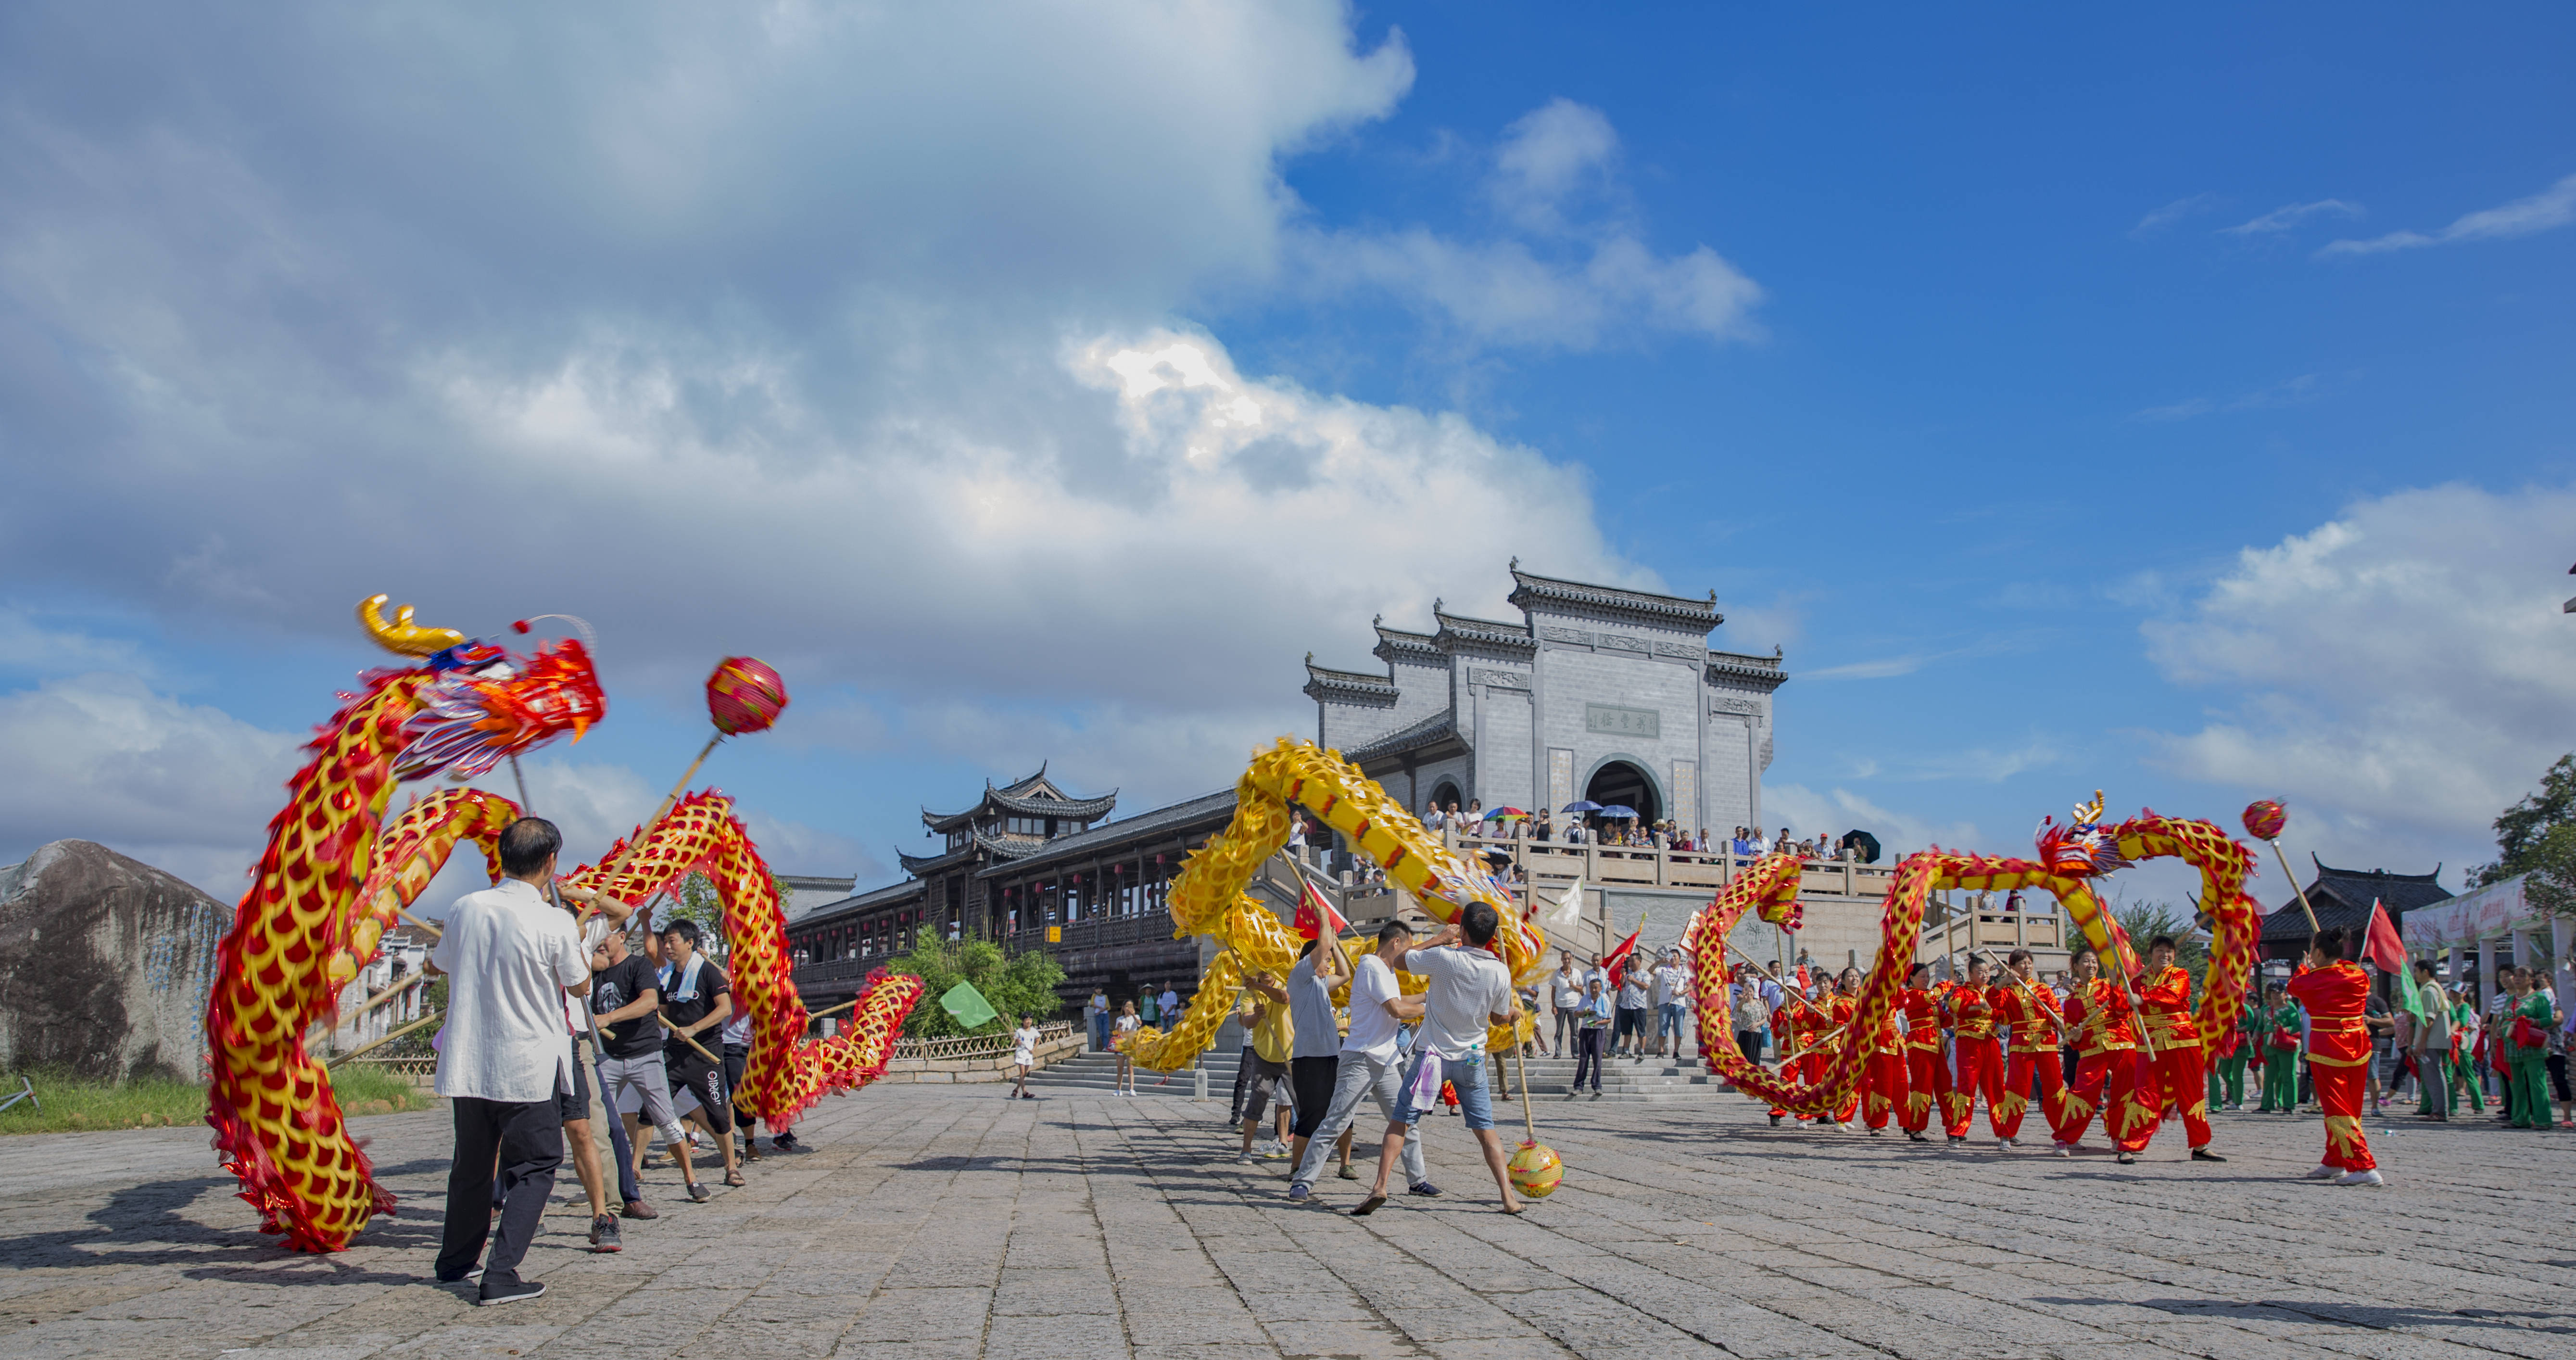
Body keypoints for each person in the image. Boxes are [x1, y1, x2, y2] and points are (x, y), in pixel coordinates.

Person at [427, 816, 592, 1306]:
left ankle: (455, 1260)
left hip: (471, 1059)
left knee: (473, 1164)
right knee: (537, 1163)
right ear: (551, 862)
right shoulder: (555, 921)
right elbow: (579, 984)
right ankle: (500, 1273)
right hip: (527, 1063)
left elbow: (441, 962)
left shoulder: (465, 907)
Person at [1354, 902, 1525, 1216]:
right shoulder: (1500, 970)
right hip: (1472, 1059)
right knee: (1486, 1129)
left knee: (1400, 1121)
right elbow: (1499, 1017)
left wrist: (1438, 939)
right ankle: (1507, 1196)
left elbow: (1400, 960)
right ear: (1491, 936)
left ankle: (1380, 1185)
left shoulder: (1445, 958)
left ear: (1463, 930)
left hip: (1432, 1057)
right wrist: (1512, 1014)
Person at [1287, 921, 1429, 1203]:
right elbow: (1397, 1008)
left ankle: (1418, 1180)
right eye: (1408, 947)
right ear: (1396, 944)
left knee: (1405, 1122)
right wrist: (1324, 921)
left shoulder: (1386, 971)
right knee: (1334, 1122)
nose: (1328, 964)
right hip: (1360, 1058)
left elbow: (1398, 998)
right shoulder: (1370, 967)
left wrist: (1430, 995)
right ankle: (1302, 1181)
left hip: (1386, 1060)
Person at [589, 926, 708, 1211]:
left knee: (666, 1120)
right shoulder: (595, 973)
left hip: (645, 1054)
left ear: (621, 935)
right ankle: (601, 1186)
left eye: (605, 936)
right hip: (608, 1057)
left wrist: (608, 1018)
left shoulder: (639, 966)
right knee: (596, 1125)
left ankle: (691, 1179)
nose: (600, 944)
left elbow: (650, 1002)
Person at [2285, 927, 2381, 1184]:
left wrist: (2305, 967)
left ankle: (2363, 1166)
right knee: (2351, 1108)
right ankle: (2335, 1160)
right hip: (2358, 1045)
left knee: (2337, 1109)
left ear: (2316, 952)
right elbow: (2346, 968)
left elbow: (2294, 987)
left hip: (2328, 1048)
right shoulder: (2358, 975)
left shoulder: (2311, 979)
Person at [653, 919, 743, 1189]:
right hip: (674, 1053)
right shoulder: (668, 976)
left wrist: (694, 1029)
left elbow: (725, 1008)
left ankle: (731, 1168)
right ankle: (634, 1169)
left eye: (672, 941)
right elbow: (665, 1013)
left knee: (717, 1114)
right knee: (653, 1108)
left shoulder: (707, 972)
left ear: (690, 942)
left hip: (706, 1055)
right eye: (665, 942)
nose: (667, 947)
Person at [2128, 936, 2224, 1163]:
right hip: (2150, 1041)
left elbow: (2173, 996)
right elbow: (2125, 1004)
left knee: (2191, 1093)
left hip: (2182, 1039)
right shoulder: (2137, 980)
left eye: (2169, 951)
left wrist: (2142, 998)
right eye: (2160, 950)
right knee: (2145, 1091)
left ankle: (2200, 1146)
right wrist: (2123, 992)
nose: (2165, 955)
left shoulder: (2180, 975)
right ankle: (2130, 1144)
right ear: (2150, 954)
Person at [2058, 948, 2147, 1161]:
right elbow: (2071, 1029)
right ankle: (2065, 1138)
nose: (2091, 965)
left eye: (2094, 962)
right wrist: (2075, 1034)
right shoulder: (2072, 999)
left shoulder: (2109, 986)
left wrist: (2116, 984)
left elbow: (2122, 1010)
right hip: (2092, 1049)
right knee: (2082, 1093)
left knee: (2125, 1092)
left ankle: (2121, 1137)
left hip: (2121, 1043)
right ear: (2076, 966)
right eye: (2086, 962)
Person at [1284, 937, 1349, 1175]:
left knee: (1343, 1111)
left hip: (1332, 1055)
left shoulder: (1323, 983)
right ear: (1312, 959)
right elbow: (1320, 949)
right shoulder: (1300, 977)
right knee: (1311, 1115)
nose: (1330, 965)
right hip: (1309, 1058)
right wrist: (1324, 923)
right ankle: (1296, 1167)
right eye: (1327, 961)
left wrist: (1337, 945)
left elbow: (1345, 975)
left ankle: (1345, 1164)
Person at [1991, 949, 2066, 1150]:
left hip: (2047, 1042)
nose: (2027, 966)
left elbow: (2055, 1012)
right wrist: (2003, 981)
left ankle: (2063, 1136)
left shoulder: (2043, 989)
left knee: (2055, 1087)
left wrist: (2060, 1022)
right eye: (2022, 963)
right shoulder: (2007, 991)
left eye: (2029, 962)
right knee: (2017, 1089)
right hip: (2021, 1044)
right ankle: (2006, 1134)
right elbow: (1992, 1000)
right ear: (2013, 968)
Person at [1940, 957, 2005, 1145]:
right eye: (1980, 972)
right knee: (1967, 1086)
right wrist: (1978, 1006)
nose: (1984, 975)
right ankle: (1957, 1130)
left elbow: (2003, 1014)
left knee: (1996, 1086)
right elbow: (1955, 1006)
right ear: (1971, 974)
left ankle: (2004, 1129)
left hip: (1990, 1040)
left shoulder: (1993, 992)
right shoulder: (1962, 990)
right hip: (1969, 1043)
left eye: (1986, 972)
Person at [1235, 969, 1295, 1164]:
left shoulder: (1286, 981)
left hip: (1291, 1054)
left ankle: (1316, 1149)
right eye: (1261, 968)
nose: (1266, 972)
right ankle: (1246, 1150)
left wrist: (1258, 986)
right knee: (1257, 1099)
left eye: (1270, 967)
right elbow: (1248, 1022)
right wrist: (1258, 1016)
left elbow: (1285, 998)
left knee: (1303, 1103)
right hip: (1264, 1055)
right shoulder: (1247, 993)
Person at [1896, 964, 1947, 1142]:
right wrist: (1946, 985)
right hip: (1920, 1045)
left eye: (1928, 977)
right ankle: (1915, 1127)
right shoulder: (1911, 995)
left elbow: (1943, 1019)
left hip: (1937, 1044)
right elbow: (1931, 996)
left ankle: (1953, 1126)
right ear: (1911, 978)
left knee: (1945, 1085)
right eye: (1922, 977)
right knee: (1922, 1088)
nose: (1926, 980)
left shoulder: (1931, 998)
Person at [2507, 966, 2554, 1129]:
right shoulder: (2510, 999)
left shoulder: (2539, 999)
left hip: (2532, 1046)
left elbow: (2548, 1020)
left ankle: (2543, 1120)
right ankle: (2520, 1118)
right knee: (2517, 1084)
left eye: (2523, 976)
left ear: (2532, 980)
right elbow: (2504, 1019)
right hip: (2512, 1046)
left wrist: (2533, 1022)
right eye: (2516, 976)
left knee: (2537, 1083)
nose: (2518, 979)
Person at [2410, 962, 2453, 1121]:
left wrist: (2422, 1042)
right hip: (2432, 1040)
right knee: (2433, 1075)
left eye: (2417, 971)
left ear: (2426, 972)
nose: (2415, 974)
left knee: (2434, 1076)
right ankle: (2438, 1109)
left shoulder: (2429, 990)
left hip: (2431, 1040)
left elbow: (2430, 1018)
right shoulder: (2433, 988)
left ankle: (2440, 1111)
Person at [2252, 982, 2301, 1113]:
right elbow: (2261, 1025)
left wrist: (2286, 1029)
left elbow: (2297, 1026)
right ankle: (2266, 1105)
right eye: (2273, 993)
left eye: (2279, 993)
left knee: (2288, 1075)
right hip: (2269, 1045)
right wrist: (2257, 1034)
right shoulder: (2265, 1009)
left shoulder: (2290, 1009)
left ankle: (2289, 1105)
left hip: (2285, 1045)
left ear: (2285, 995)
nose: (2275, 996)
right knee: (2269, 1077)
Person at [1568, 977, 1610, 1099]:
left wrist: (1599, 1023)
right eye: (1592, 988)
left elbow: (1608, 1019)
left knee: (1597, 1059)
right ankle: (1579, 1086)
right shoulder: (1585, 999)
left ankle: (1597, 1085)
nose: (1593, 990)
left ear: (1601, 989)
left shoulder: (1605, 1000)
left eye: (1596, 988)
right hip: (1586, 1030)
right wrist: (1584, 1014)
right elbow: (1576, 1013)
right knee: (1583, 1059)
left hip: (1598, 1032)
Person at [1652, 948, 1691, 1061]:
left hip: (1679, 1003)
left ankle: (1676, 1051)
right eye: (1671, 956)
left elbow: (1690, 987)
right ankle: (1661, 1051)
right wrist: (1659, 962)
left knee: (1679, 1028)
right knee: (1663, 1026)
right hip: (1665, 1003)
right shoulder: (1663, 969)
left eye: (1675, 957)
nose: (1673, 959)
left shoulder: (1684, 971)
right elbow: (1650, 971)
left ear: (1679, 959)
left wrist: (1680, 993)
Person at [1613, 958, 1652, 1061]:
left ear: (1639, 961)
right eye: (1629, 962)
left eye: (1632, 961)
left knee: (1641, 1031)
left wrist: (1633, 980)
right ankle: (1626, 1051)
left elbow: (1646, 986)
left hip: (1639, 1006)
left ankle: (1642, 1051)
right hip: (1626, 1005)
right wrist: (1622, 976)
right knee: (1626, 1031)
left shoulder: (1645, 974)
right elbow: (1621, 986)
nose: (1630, 963)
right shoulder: (1627, 973)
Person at [1549, 951, 1585, 1059]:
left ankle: (1575, 1052)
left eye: (1568, 959)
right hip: (1560, 1005)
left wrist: (1574, 986)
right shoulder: (1556, 973)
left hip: (1573, 1005)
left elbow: (1581, 989)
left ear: (1571, 960)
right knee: (1559, 1030)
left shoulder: (1577, 973)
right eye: (1564, 959)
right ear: (1562, 959)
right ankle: (1558, 1052)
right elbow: (1553, 991)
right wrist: (1554, 1005)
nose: (1566, 961)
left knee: (1574, 1030)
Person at [1008, 1014, 1040, 1100]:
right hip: (1021, 1053)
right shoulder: (1019, 1031)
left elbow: (1038, 1040)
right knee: (1022, 1073)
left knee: (1024, 1074)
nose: (1029, 1022)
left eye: (1030, 1020)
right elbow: (1016, 1042)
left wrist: (1034, 1049)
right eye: (1027, 1020)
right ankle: (1025, 1092)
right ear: (1023, 1021)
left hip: (1029, 1054)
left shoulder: (1034, 1031)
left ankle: (1016, 1090)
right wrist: (1017, 1042)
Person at [1112, 1000, 1142, 1096]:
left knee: (1130, 1069)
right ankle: (1118, 1089)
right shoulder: (1119, 1019)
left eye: (1130, 1006)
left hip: (1131, 1045)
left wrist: (1133, 1015)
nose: (1128, 1008)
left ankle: (1131, 1089)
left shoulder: (1136, 1017)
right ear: (1123, 1008)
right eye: (1126, 1006)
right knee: (1120, 1069)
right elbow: (1117, 1033)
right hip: (1121, 1044)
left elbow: (1140, 1024)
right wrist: (1118, 1027)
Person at [1087, 986, 1112, 1054]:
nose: (1098, 990)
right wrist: (1099, 1008)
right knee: (1101, 1032)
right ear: (1095, 990)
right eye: (1097, 989)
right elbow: (1092, 1004)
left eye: (1100, 989)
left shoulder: (1105, 996)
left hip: (1105, 1014)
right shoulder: (1094, 996)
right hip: (1098, 1015)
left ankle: (1106, 1046)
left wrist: (1102, 1010)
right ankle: (1104, 1045)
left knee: (1106, 1032)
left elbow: (1108, 1006)